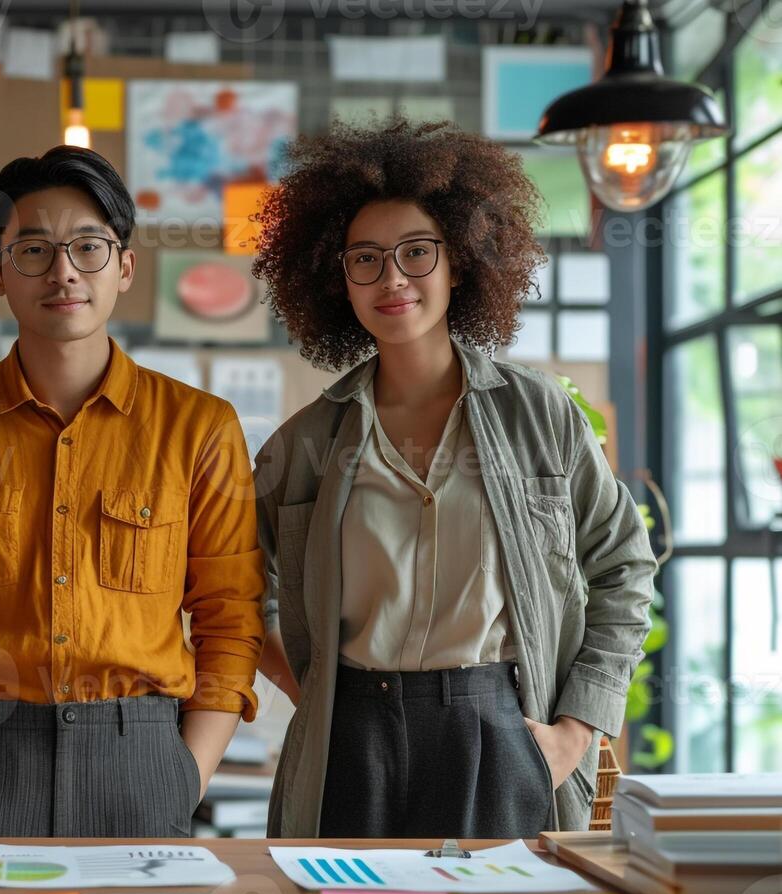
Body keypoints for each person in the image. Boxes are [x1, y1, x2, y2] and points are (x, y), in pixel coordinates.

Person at [250, 120, 656, 839]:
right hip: (352, 738)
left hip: (496, 730)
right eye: (365, 260)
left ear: (460, 263)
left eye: (417, 253)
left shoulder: (538, 415)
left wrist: (577, 729)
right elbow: (235, 591)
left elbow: (624, 564)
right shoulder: (307, 442)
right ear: (336, 278)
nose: (392, 279)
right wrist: (310, 691)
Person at [0, 146, 265, 837]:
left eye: (88, 247)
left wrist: (184, 776)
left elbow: (230, 616)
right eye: (34, 249)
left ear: (125, 268)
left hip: (143, 764)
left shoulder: (200, 427)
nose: (64, 270)